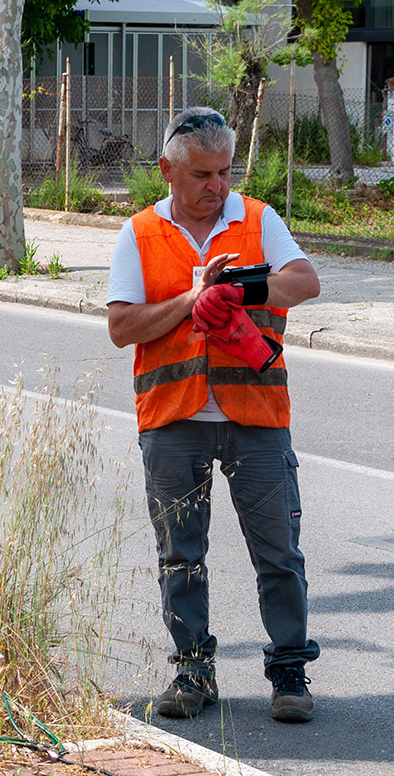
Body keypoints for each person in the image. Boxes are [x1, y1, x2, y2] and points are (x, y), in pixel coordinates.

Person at [106, 106, 322, 723]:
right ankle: (193, 672)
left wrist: (245, 291)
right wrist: (191, 299)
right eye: (203, 174)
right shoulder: (140, 234)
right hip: (173, 419)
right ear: (167, 171)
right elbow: (121, 327)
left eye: (225, 172)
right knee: (180, 555)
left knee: (279, 551)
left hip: (255, 414)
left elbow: (304, 283)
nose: (217, 187)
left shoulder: (257, 219)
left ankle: (289, 672)